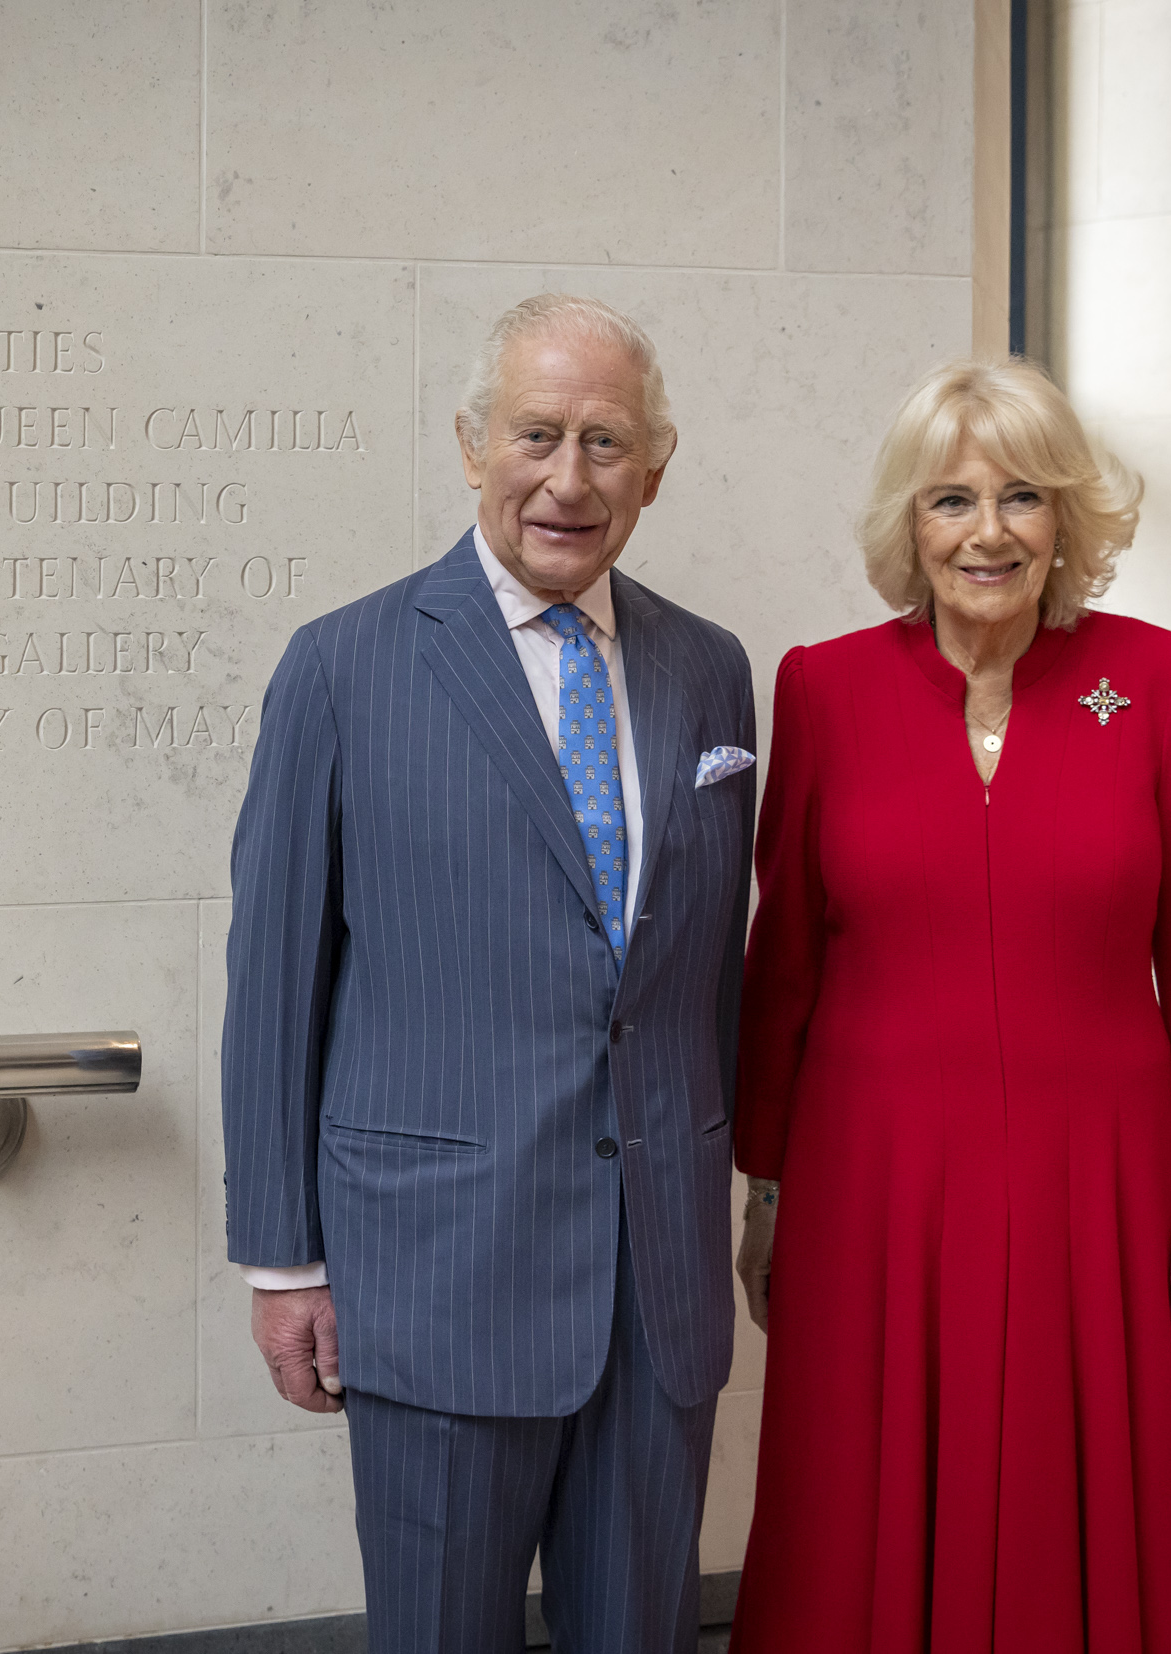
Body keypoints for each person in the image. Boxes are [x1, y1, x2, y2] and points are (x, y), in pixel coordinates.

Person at [223, 294, 758, 1654]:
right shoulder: (343, 666)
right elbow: (275, 984)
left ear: (655, 468)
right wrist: (283, 1264)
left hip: (659, 1289)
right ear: (472, 446)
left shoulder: (711, 672)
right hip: (438, 1278)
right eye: (536, 434)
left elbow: (708, 977)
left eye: (605, 441)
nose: (569, 478)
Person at [728, 358, 1171, 1653]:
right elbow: (782, 963)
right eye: (952, 499)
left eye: (1023, 496)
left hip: (1104, 1182)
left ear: (1066, 517)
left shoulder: (1162, 680)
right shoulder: (823, 688)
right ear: (909, 525)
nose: (989, 531)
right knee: (864, 1499)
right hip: (873, 1182)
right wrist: (766, 1188)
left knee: (1098, 1507)